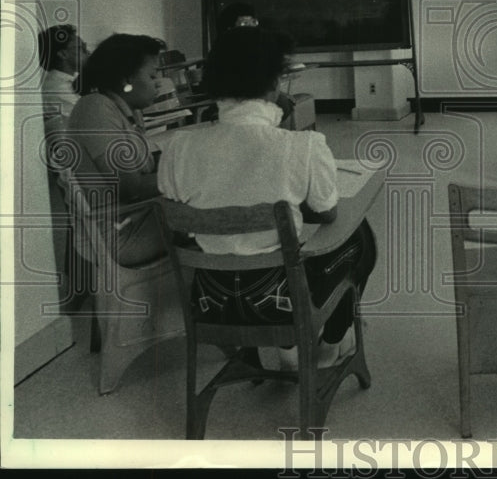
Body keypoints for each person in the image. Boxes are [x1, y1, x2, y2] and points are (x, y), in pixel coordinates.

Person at [157, 26, 377, 369]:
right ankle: (330, 343)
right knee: (361, 238)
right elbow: (328, 212)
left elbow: (177, 213)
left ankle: (268, 350)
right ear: (276, 83)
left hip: (210, 299)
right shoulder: (301, 146)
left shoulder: (177, 147)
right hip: (281, 300)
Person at [66, 33, 168, 266]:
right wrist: (188, 173)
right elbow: (130, 187)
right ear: (126, 79)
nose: (159, 82)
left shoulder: (119, 108)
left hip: (137, 218)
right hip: (122, 234)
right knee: (216, 212)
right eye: (152, 75)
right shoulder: (95, 108)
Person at [38, 24, 89, 121]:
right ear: (63, 54)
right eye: (80, 48)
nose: (88, 52)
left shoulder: (67, 82)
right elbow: (90, 119)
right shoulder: (58, 89)